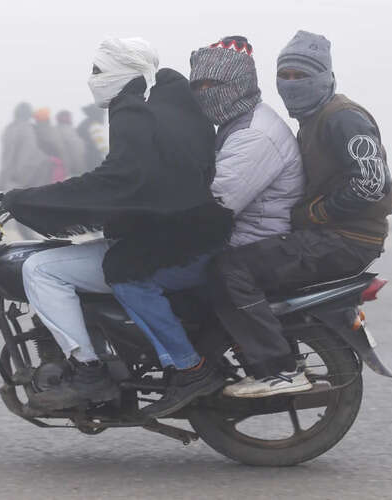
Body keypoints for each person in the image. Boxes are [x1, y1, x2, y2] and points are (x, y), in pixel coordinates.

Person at [1, 37, 233, 410]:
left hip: (172, 244)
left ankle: (90, 372)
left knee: (40, 269)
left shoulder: (132, 110)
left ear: (124, 71)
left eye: (98, 70)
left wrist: (28, 200)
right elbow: (137, 178)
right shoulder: (172, 103)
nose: (93, 79)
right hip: (193, 232)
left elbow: (120, 179)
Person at [109, 36, 304, 417]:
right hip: (232, 232)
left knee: (128, 274)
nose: (204, 94)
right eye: (197, 86)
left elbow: (214, 205)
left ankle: (188, 368)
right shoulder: (235, 123)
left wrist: (139, 219)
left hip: (245, 241)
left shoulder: (253, 135)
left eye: (213, 86)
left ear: (241, 84)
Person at [212, 30, 392, 398]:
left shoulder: (342, 118)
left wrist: (314, 213)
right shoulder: (312, 120)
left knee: (228, 270)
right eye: (286, 75)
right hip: (331, 236)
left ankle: (277, 368)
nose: (292, 84)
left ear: (326, 77)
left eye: (302, 75)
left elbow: (372, 184)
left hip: (344, 240)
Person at [0, 102, 55, 192]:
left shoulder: (14, 129)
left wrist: (2, 181)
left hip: (18, 180)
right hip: (29, 179)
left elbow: (9, 157)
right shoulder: (29, 129)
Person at [75, 103, 108, 175]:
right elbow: (103, 147)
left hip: (87, 157)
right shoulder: (94, 126)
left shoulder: (85, 124)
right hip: (95, 157)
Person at [53, 110, 88, 178]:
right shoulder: (66, 130)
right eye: (67, 116)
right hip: (73, 169)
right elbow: (75, 151)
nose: (70, 118)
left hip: (68, 168)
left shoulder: (68, 129)